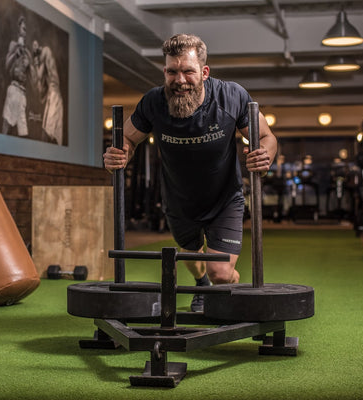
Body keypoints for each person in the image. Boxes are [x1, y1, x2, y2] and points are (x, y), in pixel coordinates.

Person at [103, 33, 277, 312]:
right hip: (179, 199)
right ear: (165, 71)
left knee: (220, 272)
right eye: (172, 72)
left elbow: (267, 137)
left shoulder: (231, 97)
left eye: (188, 72)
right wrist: (118, 152)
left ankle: (227, 286)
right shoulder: (153, 102)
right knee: (192, 260)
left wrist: (265, 155)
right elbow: (129, 139)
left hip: (224, 199)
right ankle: (202, 287)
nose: (180, 81)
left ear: (204, 72)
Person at [2, 16, 34, 137]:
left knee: (23, 133)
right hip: (14, 90)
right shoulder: (13, 45)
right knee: (6, 125)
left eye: (26, 30)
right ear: (18, 30)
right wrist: (16, 53)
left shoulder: (28, 53)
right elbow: (7, 65)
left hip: (22, 94)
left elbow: (33, 79)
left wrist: (29, 65)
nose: (24, 32)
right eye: (23, 29)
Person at [32, 40, 64, 145]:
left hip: (55, 96)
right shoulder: (45, 69)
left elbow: (38, 76)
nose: (35, 47)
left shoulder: (46, 51)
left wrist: (35, 62)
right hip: (52, 95)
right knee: (47, 129)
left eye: (35, 45)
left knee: (50, 130)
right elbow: (40, 91)